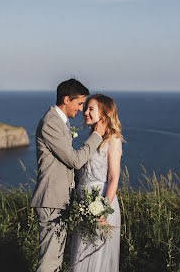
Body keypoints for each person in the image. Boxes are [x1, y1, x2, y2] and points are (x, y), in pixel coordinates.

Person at [30, 79, 107, 272]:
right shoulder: (51, 123)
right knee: (49, 263)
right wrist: (97, 135)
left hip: (59, 201)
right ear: (66, 99)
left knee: (55, 261)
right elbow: (74, 160)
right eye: (79, 103)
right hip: (51, 200)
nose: (81, 109)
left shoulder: (60, 123)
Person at [70, 94, 123, 272]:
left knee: (96, 261)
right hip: (84, 205)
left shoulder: (113, 139)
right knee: (80, 258)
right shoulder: (93, 138)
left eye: (91, 109)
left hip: (100, 203)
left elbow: (114, 178)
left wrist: (103, 211)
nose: (85, 112)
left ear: (104, 113)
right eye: (86, 108)